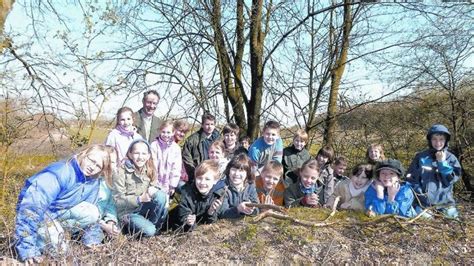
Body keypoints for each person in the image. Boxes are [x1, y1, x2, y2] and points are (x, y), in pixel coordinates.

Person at [14, 144, 113, 263]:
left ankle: (53, 237)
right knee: (64, 254)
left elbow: (93, 219)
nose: (92, 167)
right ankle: (37, 242)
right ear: (83, 155)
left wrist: (92, 241)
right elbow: (30, 210)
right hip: (40, 217)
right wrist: (28, 250)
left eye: (98, 166)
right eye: (91, 160)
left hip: (58, 215)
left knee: (92, 211)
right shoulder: (60, 173)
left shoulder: (92, 181)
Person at [111, 139, 168, 237]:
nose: (140, 157)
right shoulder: (120, 172)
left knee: (161, 196)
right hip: (128, 212)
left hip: (144, 208)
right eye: (136, 153)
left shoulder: (150, 169)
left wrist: (154, 190)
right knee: (149, 231)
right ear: (130, 154)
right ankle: (140, 230)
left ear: (148, 155)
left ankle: (153, 228)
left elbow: (156, 189)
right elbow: (116, 201)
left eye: (144, 154)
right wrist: (138, 199)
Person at [406, 124, 462, 218]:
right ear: (430, 140)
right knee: (425, 220)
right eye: (434, 139)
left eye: (441, 139)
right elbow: (410, 178)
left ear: (446, 141)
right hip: (423, 203)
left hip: (445, 202)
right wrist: (420, 193)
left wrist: (442, 163)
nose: (438, 142)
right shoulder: (421, 157)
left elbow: (450, 180)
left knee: (452, 218)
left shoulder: (451, 158)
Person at [170, 160, 226, 232]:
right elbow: (181, 220)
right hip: (173, 226)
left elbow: (210, 221)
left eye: (207, 179)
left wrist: (210, 212)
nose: (202, 182)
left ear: (215, 181)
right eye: (199, 178)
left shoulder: (217, 195)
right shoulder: (187, 193)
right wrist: (189, 223)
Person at [219, 154, 260, 218]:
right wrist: (238, 209)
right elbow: (222, 213)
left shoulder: (250, 187)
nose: (236, 174)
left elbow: (257, 209)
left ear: (247, 173)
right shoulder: (222, 187)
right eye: (234, 169)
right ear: (229, 170)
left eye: (241, 170)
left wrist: (251, 209)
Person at [182, 112, 220, 182]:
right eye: (207, 124)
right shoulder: (192, 140)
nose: (210, 127)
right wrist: (196, 172)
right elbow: (186, 158)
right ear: (202, 125)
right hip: (198, 175)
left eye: (212, 124)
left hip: (214, 174)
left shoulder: (219, 139)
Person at [150, 120, 182, 197]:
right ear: (160, 131)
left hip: (167, 184)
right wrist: (153, 182)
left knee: (165, 205)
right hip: (154, 182)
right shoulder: (154, 145)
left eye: (168, 132)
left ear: (173, 133)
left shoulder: (176, 148)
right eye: (163, 132)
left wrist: (172, 185)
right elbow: (152, 165)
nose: (165, 135)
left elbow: (176, 168)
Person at [173, 119, 190, 189]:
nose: (182, 134)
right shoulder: (170, 145)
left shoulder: (177, 145)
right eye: (180, 131)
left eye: (184, 132)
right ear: (174, 130)